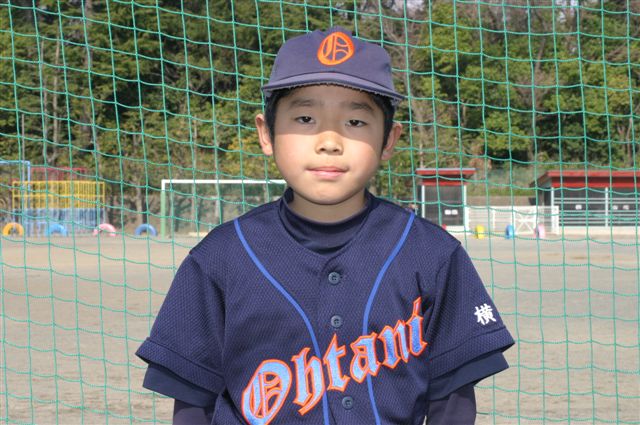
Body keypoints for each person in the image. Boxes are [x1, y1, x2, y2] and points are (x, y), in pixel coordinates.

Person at [136, 26, 514, 425]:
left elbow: (452, 404)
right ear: (266, 133)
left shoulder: (432, 253)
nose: (329, 141)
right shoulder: (219, 257)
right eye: (305, 118)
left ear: (389, 140)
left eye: (355, 121)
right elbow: (193, 404)